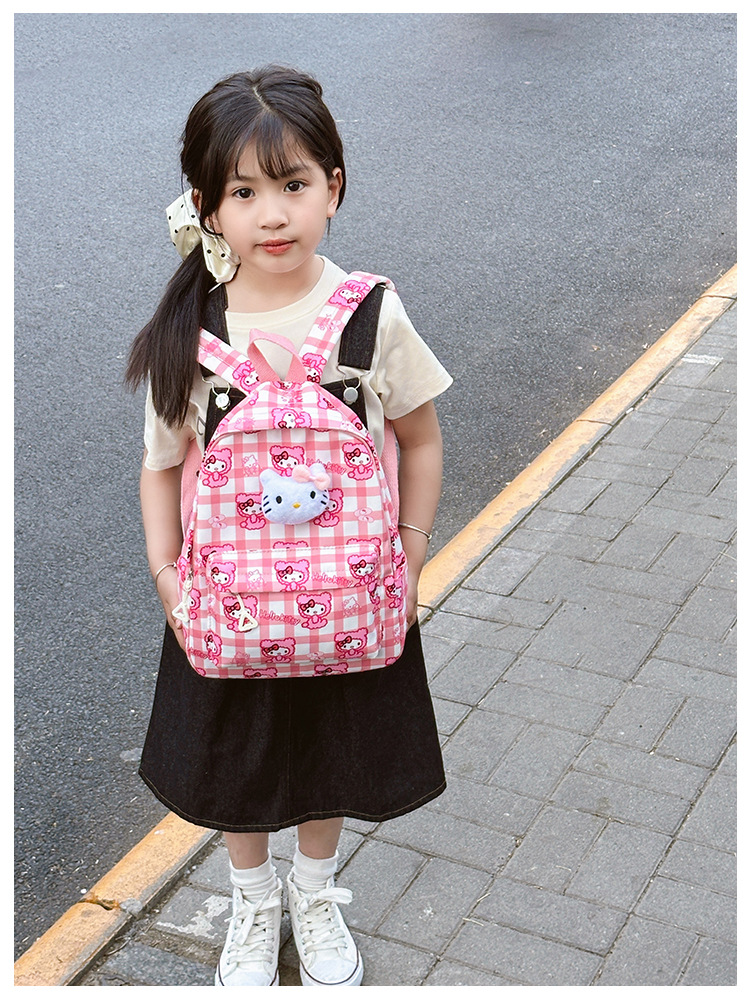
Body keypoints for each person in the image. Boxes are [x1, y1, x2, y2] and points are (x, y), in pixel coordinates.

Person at [126, 65, 452, 988]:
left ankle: (313, 893)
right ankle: (252, 898)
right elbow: (159, 465)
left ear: (332, 189)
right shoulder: (192, 331)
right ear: (206, 206)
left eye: (294, 184)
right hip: (228, 604)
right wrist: (167, 579)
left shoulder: (371, 315)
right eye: (243, 193)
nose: (272, 215)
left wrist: (410, 559)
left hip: (352, 598)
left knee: (329, 754)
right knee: (240, 762)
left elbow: (422, 439)